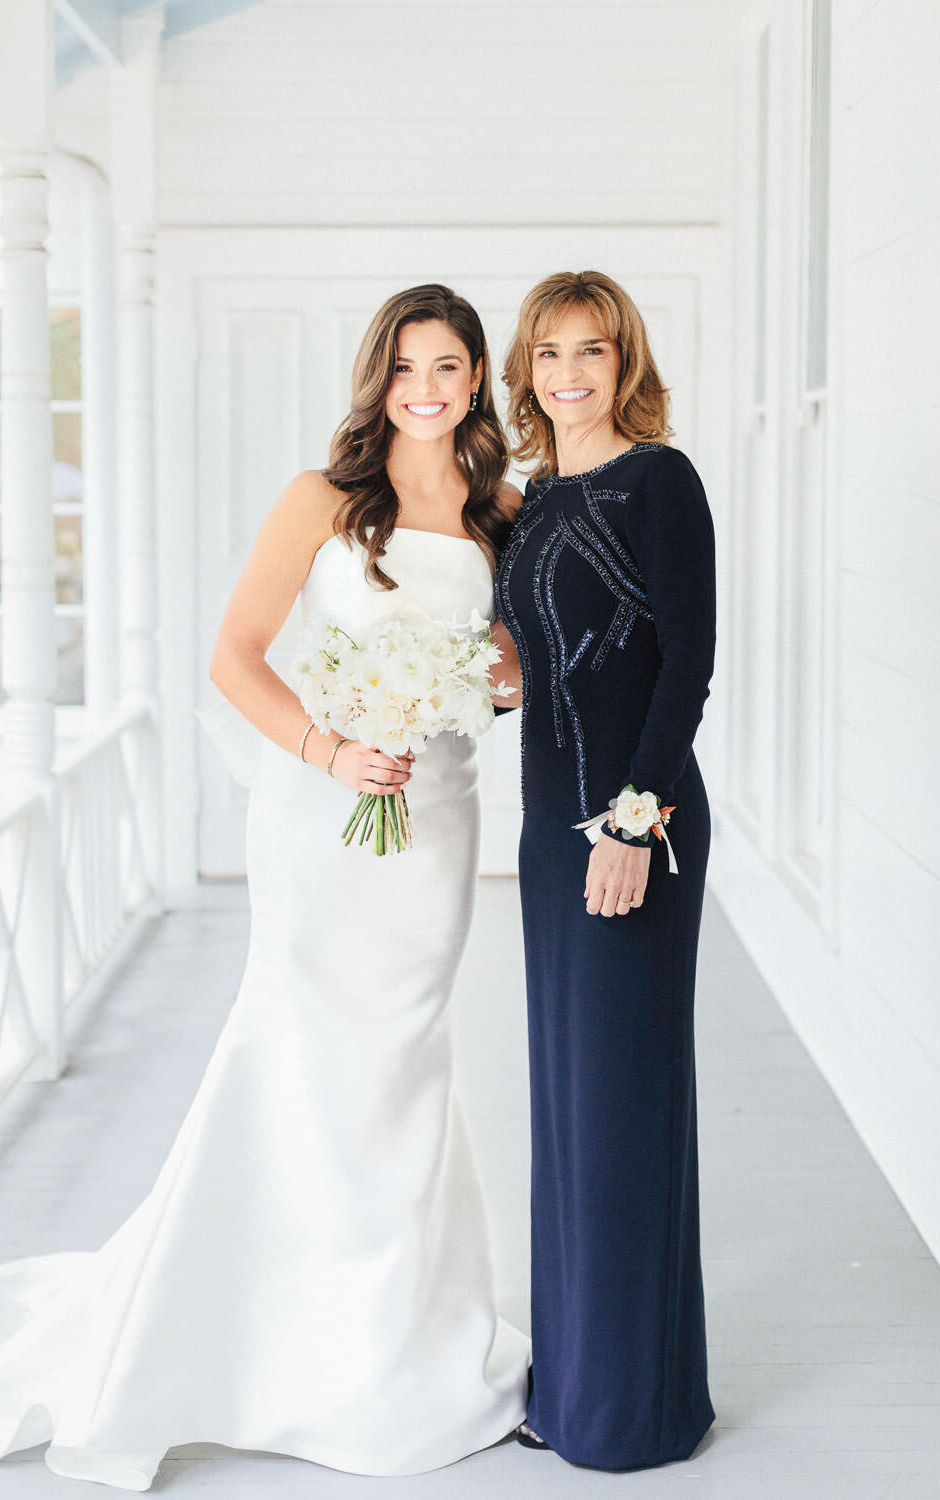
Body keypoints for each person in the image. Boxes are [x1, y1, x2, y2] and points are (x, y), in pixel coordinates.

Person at [0, 284, 529, 1490]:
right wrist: (331, 747)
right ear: (380, 377)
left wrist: (480, 683)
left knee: (407, 1060)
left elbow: (514, 661)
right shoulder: (324, 501)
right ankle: (262, 1327)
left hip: (436, 819)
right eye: (408, 366)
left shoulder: (503, 511)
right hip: (325, 815)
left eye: (451, 366)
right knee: (310, 1051)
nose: (429, 388)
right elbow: (234, 657)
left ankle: (402, 1340)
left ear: (477, 380)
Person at [492, 270, 716, 1470]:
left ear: (626, 362)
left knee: (621, 1111)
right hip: (545, 834)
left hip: (634, 831)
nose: (569, 372)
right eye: (547, 353)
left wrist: (633, 826)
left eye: (593, 350)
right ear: (526, 370)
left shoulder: (657, 481)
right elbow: (551, 660)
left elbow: (683, 667)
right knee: (569, 1111)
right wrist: (490, 678)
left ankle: (631, 1414)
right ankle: (575, 1385)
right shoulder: (532, 497)